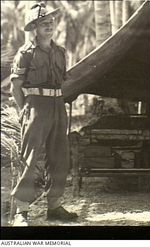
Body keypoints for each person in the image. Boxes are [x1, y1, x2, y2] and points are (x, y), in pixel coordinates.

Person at [10, 2, 78, 226]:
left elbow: (61, 81)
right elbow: (15, 87)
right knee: (30, 158)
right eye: (43, 23)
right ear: (34, 28)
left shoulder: (60, 52)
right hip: (36, 106)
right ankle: (22, 210)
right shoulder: (25, 54)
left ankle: (54, 206)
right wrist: (24, 112)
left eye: (51, 22)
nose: (49, 26)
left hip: (57, 103)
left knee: (60, 156)